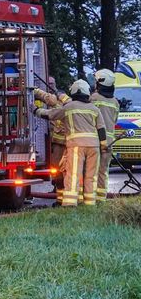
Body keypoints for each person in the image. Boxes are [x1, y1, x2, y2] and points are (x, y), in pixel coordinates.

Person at [35, 79, 107, 207]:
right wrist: (103, 145)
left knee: (73, 174)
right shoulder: (94, 109)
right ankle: (90, 204)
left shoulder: (69, 107)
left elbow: (51, 115)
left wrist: (36, 111)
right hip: (94, 147)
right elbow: (101, 128)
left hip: (76, 146)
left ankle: (69, 203)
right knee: (91, 175)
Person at [33, 83, 71, 193]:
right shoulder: (72, 104)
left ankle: (60, 189)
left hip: (60, 142)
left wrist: (35, 90)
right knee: (65, 167)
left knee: (58, 167)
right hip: (68, 142)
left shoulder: (60, 103)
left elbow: (47, 98)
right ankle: (61, 188)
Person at [91, 68, 120, 203]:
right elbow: (114, 120)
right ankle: (101, 199)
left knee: (90, 171)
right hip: (110, 142)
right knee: (103, 171)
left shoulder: (94, 98)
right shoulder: (115, 102)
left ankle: (88, 198)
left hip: (96, 140)